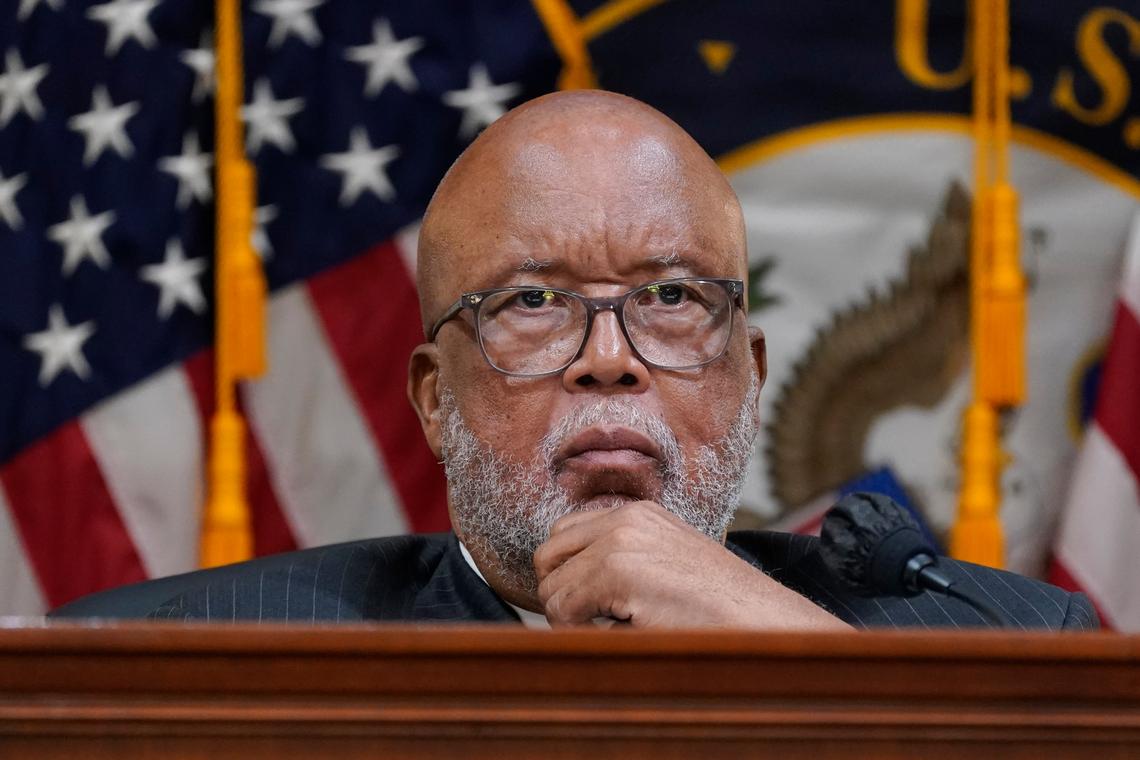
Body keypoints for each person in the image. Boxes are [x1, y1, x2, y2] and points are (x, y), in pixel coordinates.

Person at [54, 90, 1095, 629]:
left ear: (750, 372)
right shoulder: (215, 660)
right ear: (432, 396)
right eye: (535, 302)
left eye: (674, 298)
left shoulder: (1006, 638)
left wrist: (790, 647)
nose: (611, 360)